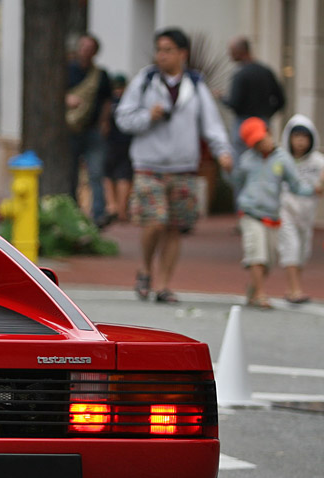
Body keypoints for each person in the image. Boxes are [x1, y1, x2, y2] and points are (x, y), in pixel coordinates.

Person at [115, 27, 233, 304]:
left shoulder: (196, 84)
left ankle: (164, 285)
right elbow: (123, 118)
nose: (161, 55)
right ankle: (145, 268)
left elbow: (211, 123)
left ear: (183, 54)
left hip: (183, 168)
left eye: (168, 50)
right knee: (155, 222)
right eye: (159, 50)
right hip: (149, 166)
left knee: (175, 227)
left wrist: (222, 152)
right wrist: (147, 116)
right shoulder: (145, 80)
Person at [232, 117, 320, 309]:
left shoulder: (283, 159)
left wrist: (314, 189)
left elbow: (296, 185)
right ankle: (262, 295)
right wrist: (227, 169)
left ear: (269, 134)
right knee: (257, 253)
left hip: (271, 214)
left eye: (262, 139)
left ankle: (254, 289)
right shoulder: (247, 159)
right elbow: (236, 180)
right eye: (255, 143)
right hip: (250, 212)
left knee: (270, 259)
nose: (261, 145)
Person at [66, 34, 113, 227]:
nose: (85, 50)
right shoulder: (66, 70)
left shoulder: (100, 75)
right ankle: (71, 211)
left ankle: (99, 214)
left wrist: (104, 122)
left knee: (96, 172)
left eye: (89, 47)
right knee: (70, 172)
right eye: (82, 46)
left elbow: (106, 101)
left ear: (95, 52)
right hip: (70, 129)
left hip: (92, 129)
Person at [279, 115, 324, 303]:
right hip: (286, 209)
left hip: (307, 213)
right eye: (296, 136)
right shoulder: (282, 159)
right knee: (291, 246)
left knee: (303, 250)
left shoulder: (318, 161)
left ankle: (294, 287)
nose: (300, 141)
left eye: (304, 137)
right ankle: (295, 290)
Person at [223, 37, 286, 159]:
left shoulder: (240, 74)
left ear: (239, 51)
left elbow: (235, 103)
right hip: (263, 124)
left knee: (241, 161)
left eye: (231, 51)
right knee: (264, 158)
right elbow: (281, 100)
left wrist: (222, 99)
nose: (229, 55)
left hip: (243, 124)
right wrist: (267, 115)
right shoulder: (266, 71)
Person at [102, 73, 133, 226]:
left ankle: (113, 206)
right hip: (125, 142)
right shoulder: (130, 102)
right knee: (123, 175)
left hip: (112, 142)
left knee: (111, 174)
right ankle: (120, 209)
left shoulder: (110, 102)